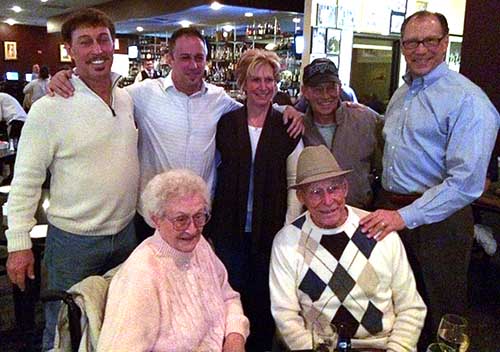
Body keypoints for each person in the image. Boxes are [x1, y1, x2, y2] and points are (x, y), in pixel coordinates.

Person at [48, 27, 303, 243]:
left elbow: (255, 106)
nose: (193, 65)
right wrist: (69, 78)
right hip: (154, 219)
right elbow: (102, 93)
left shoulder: (219, 100)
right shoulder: (141, 94)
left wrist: (286, 109)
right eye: (185, 57)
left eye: (199, 58)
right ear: (169, 58)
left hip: (200, 219)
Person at [359, 10, 500, 348]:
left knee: (442, 312)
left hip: (440, 221)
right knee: (394, 303)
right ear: (403, 46)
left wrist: (402, 216)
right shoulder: (402, 94)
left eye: (429, 41)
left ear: (445, 42)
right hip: (391, 211)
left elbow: (465, 183)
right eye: (411, 42)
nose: (420, 49)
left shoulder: (468, 100)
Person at [5, 9, 139, 351]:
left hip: (125, 237)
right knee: (64, 328)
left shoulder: (126, 99)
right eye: (86, 42)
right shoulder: (49, 107)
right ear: (70, 50)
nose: (97, 49)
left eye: (103, 40)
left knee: (116, 325)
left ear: (113, 43)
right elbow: (25, 180)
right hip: (73, 243)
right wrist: (19, 243)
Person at [270, 145, 426, 351]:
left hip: (380, 346)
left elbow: (411, 308)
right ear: (301, 197)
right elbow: (285, 315)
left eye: (333, 188)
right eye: (316, 192)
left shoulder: (378, 229)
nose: (327, 201)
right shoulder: (286, 241)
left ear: (345, 187)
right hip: (321, 348)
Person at [207, 49, 303, 351]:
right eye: (256, 80)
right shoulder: (226, 123)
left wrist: (288, 228)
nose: (264, 86)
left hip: (270, 231)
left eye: (270, 80)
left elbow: (294, 184)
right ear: (244, 83)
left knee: (264, 302)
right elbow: (212, 174)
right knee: (230, 298)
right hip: (228, 231)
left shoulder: (287, 126)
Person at [97, 169, 249, 351]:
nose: (192, 229)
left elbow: (228, 297)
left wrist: (235, 336)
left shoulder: (200, 246)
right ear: (156, 220)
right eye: (180, 219)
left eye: (199, 216)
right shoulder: (142, 274)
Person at [300, 58, 383, 209]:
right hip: (314, 220)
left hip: (361, 216)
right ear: (304, 91)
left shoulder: (365, 119)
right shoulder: (297, 127)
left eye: (331, 88)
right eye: (317, 89)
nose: (325, 96)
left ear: (339, 88)